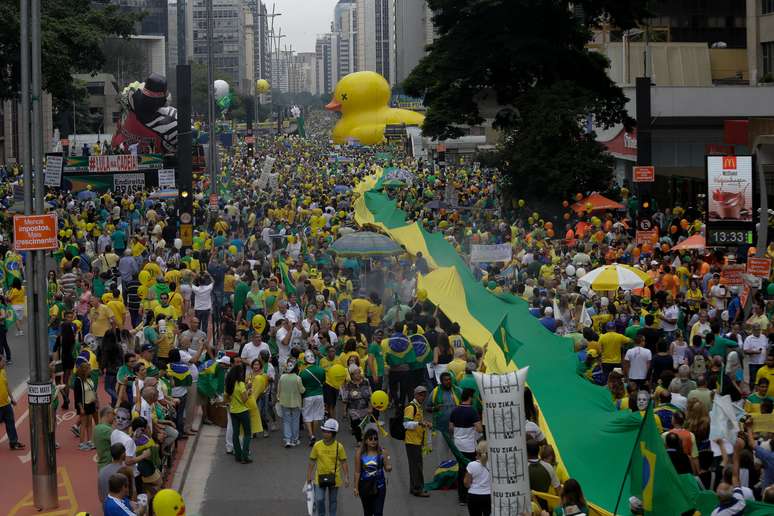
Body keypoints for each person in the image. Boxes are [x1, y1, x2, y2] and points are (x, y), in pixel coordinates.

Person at [307, 418, 349, 516]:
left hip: (335, 478)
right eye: (324, 431)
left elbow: (344, 462)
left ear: (333, 433)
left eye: (328, 432)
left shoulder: (339, 447)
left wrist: (347, 476)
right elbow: (312, 461)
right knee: (319, 499)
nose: (325, 433)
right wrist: (309, 476)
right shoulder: (317, 445)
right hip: (319, 477)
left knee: (333, 501)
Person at [449, 388, 483, 505]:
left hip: (458, 445)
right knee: (470, 470)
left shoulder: (455, 410)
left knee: (461, 469)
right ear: (470, 397)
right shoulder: (472, 411)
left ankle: (461, 496)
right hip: (469, 446)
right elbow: (479, 428)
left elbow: (451, 428)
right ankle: (468, 494)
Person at [353, 426, 392, 516]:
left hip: (380, 486)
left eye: (376, 439)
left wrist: (389, 467)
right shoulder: (360, 453)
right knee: (368, 513)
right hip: (365, 486)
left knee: (378, 512)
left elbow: (387, 468)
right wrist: (355, 487)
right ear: (366, 441)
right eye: (370, 439)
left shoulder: (382, 452)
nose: (373, 441)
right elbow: (357, 472)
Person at [404, 385, 432, 497]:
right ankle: (418, 489)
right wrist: (420, 423)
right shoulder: (411, 407)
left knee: (415, 466)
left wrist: (425, 423)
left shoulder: (418, 407)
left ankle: (414, 487)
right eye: (420, 394)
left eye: (424, 394)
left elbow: (417, 421)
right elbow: (406, 424)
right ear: (415, 395)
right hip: (412, 442)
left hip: (417, 440)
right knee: (417, 466)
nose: (422, 397)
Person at [225, 363, 253, 464]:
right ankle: (245, 456)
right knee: (247, 433)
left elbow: (226, 397)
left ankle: (237, 455)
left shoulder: (229, 384)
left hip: (233, 411)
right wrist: (248, 392)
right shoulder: (240, 384)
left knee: (235, 434)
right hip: (243, 411)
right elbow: (245, 399)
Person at [278, 357, 305, 448]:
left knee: (286, 421)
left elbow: (279, 390)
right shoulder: (298, 378)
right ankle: (294, 439)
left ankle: (287, 439)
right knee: (295, 421)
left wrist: (278, 398)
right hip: (296, 402)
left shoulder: (282, 377)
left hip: (284, 402)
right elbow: (302, 390)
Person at [0, 355, 24, 450]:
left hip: (6, 404)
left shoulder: (3, 372)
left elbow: (7, 386)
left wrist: (12, 398)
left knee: (10, 422)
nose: (5, 362)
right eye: (3, 361)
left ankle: (13, 442)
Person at [73, 356, 98, 450]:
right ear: (84, 371)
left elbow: (93, 390)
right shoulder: (78, 381)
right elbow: (77, 396)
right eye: (88, 369)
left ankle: (90, 441)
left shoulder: (89, 379)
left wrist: (96, 401)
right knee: (83, 424)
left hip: (91, 403)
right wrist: (80, 408)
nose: (90, 371)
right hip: (83, 405)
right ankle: (82, 443)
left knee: (90, 423)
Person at [463, 440, 492, 516]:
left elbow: (466, 483)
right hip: (489, 496)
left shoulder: (471, 465)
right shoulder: (494, 464)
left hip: (474, 496)